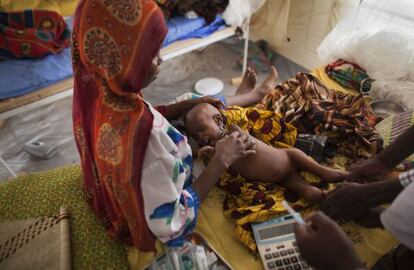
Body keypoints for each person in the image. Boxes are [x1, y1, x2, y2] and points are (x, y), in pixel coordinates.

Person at [71, 0, 274, 251]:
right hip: (157, 206)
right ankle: (248, 97)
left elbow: (148, 115)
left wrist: (182, 107)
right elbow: (172, 226)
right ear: (123, 61)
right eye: (152, 54)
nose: (161, 59)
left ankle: (246, 96)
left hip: (133, 180)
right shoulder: (150, 143)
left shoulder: (96, 91)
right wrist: (221, 160)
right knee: (202, 114)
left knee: (191, 103)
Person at [184, 102, 348, 203]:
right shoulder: (219, 150)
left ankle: (322, 182)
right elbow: (224, 161)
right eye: (195, 136)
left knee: (296, 171)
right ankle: (324, 183)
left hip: (278, 169)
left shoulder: (232, 134)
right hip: (281, 164)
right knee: (296, 165)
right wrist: (208, 152)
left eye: (201, 129)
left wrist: (212, 152)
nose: (200, 137)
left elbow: (234, 145)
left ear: (219, 121)